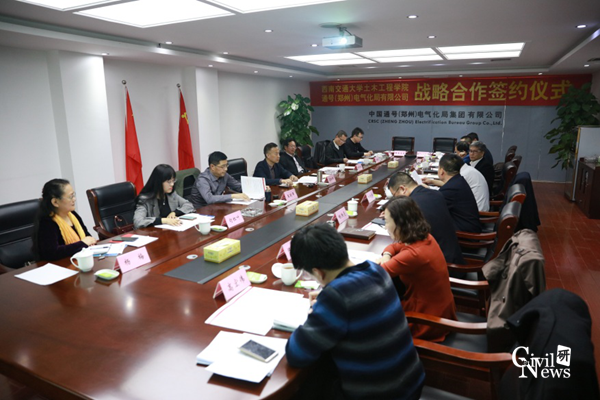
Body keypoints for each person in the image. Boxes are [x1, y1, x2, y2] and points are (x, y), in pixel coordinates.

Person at [286, 223, 424, 400]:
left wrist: (322, 307)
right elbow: (356, 299)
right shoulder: (376, 270)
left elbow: (297, 353)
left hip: (383, 394)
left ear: (318, 272)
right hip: (410, 383)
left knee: (308, 386)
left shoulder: (337, 297)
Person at [377, 196, 457, 341]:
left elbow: (378, 274)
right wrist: (387, 255)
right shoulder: (425, 237)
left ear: (400, 223)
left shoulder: (413, 254)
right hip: (439, 308)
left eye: (387, 222)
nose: (386, 226)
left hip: (426, 319)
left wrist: (385, 261)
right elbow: (394, 246)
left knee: (372, 318)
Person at [387, 172, 465, 265]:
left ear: (402, 189)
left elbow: (407, 242)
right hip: (454, 254)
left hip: (441, 263)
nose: (395, 199)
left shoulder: (412, 206)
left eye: (394, 195)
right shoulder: (436, 193)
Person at [32, 178, 97, 261]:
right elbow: (52, 253)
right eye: (70, 196)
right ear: (55, 202)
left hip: (79, 259)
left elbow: (87, 236)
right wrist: (83, 244)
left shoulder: (72, 214)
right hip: (60, 264)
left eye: (74, 195)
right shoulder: (47, 222)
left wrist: (89, 242)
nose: (74, 199)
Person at [133, 164, 195, 229]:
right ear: (159, 182)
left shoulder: (171, 194)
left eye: (173, 181)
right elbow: (138, 222)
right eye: (169, 182)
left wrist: (175, 213)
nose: (172, 184)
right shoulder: (144, 200)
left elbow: (189, 205)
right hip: (154, 233)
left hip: (171, 231)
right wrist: (164, 220)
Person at [432, 154, 482, 233]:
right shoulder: (458, 180)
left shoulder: (451, 189)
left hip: (465, 233)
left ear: (441, 171)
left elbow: (433, 207)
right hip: (467, 226)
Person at [424, 152, 490, 211]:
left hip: (479, 211)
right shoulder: (462, 175)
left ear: (442, 171)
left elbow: (439, 199)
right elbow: (448, 186)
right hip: (471, 209)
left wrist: (426, 189)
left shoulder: (464, 175)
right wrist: (431, 182)